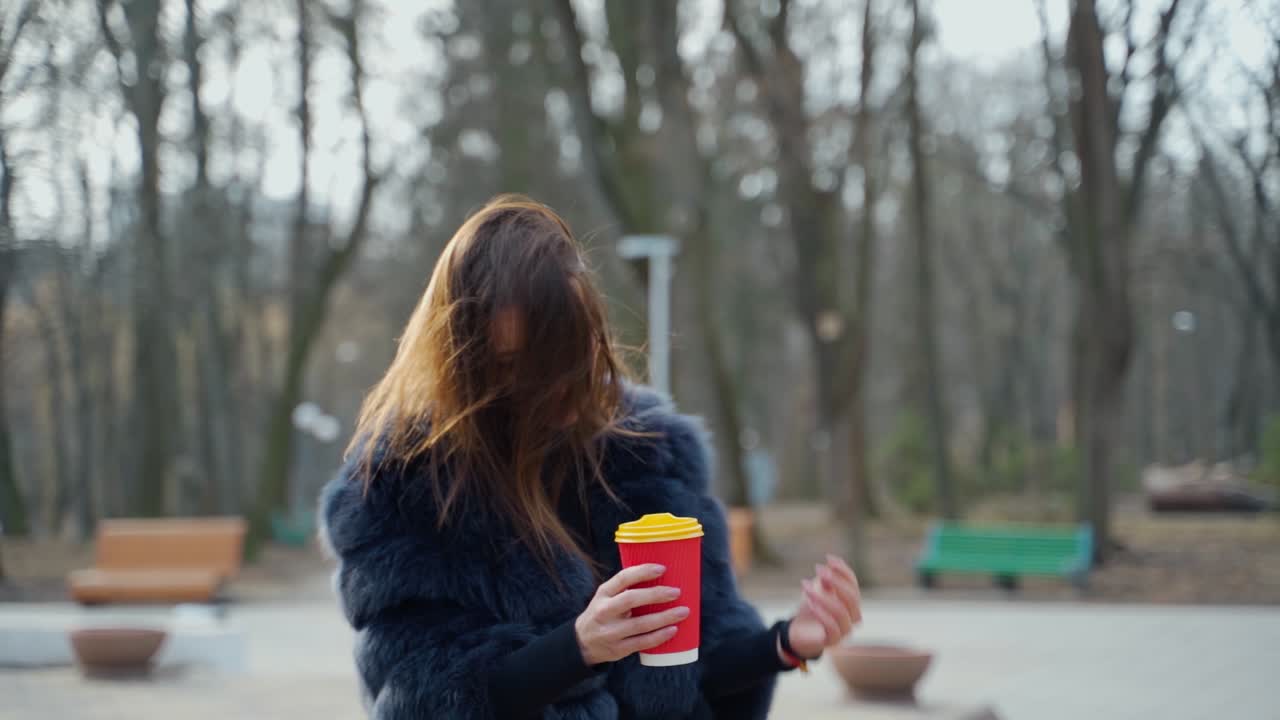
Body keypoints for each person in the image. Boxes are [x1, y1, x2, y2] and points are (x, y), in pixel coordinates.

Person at [320, 195, 862, 720]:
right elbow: (416, 698)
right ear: (463, 362)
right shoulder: (400, 487)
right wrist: (575, 648)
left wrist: (787, 642)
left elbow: (689, 674)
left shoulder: (651, 459)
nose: (556, 387)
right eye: (519, 366)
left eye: (569, 358)